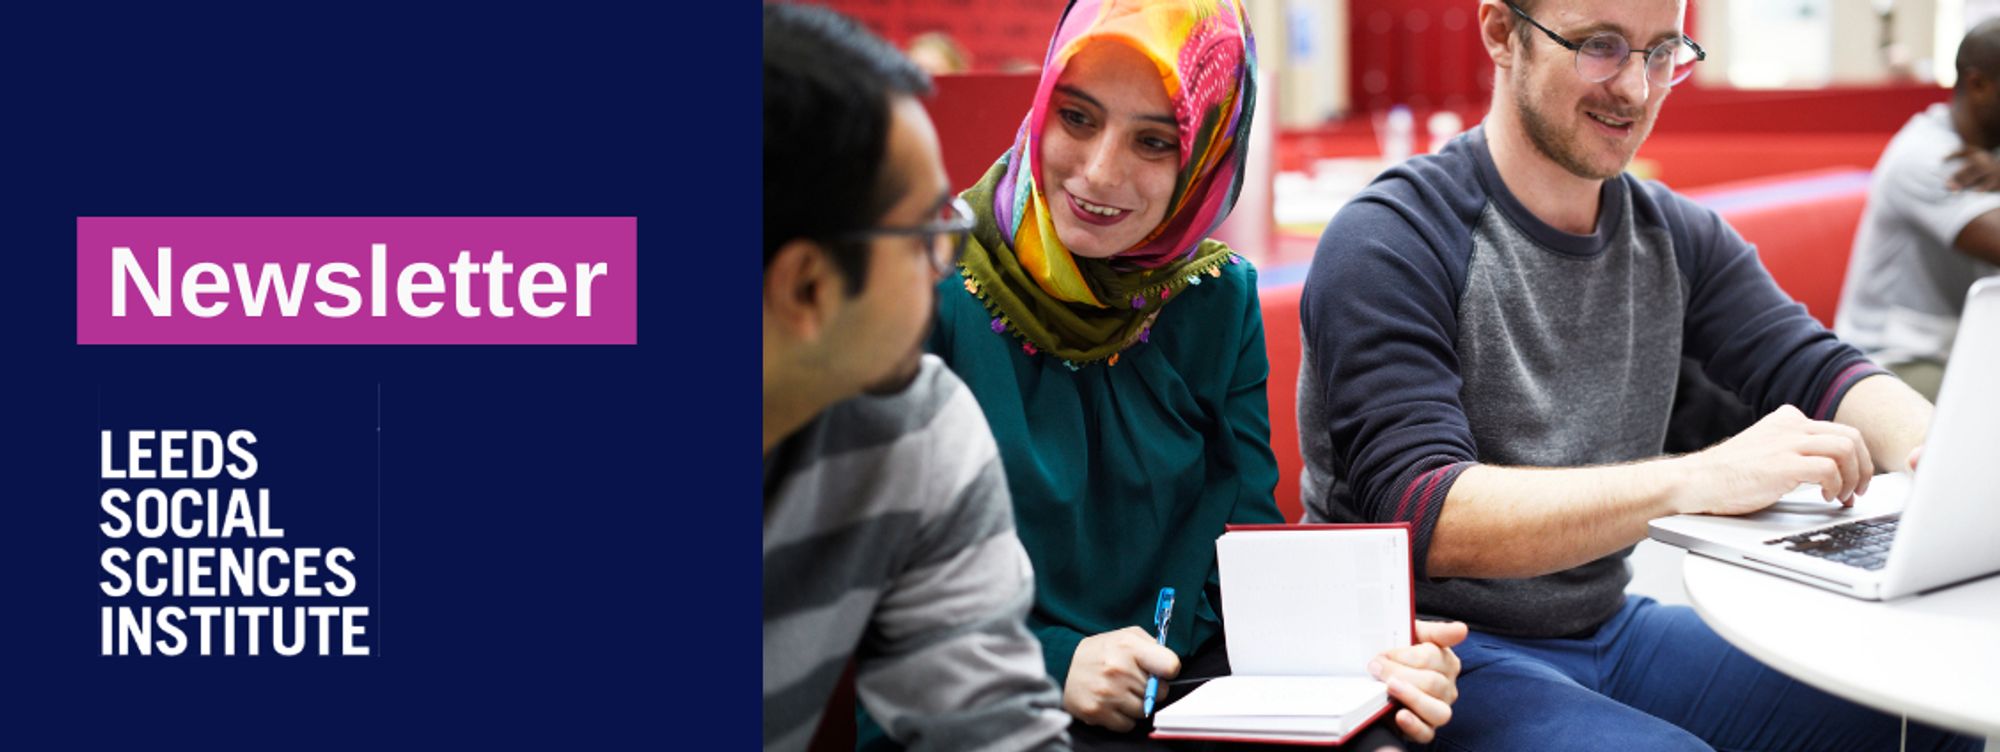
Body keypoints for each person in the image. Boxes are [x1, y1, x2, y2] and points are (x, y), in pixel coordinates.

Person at [1300, 1, 1978, 749]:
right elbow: (1423, 511)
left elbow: (1821, 368)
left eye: (1662, 53)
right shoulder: (1390, 237)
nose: (1635, 87)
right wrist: (1697, 479)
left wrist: (1948, 465)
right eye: (1600, 46)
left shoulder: (1675, 235)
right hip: (1429, 651)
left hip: (1606, 627)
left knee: (1919, 715)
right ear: (1500, 32)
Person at [872, 1, 1467, 750]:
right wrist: (1054, 661)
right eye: (1077, 118)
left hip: (1181, 697)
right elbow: (873, 584)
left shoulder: (1214, 300)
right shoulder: (924, 286)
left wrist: (1367, 646)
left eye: (1155, 141)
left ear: (1207, 156)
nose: (1098, 172)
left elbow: (1246, 546)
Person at [762, 5, 1070, 751]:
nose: (947, 264)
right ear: (808, 288)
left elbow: (993, 733)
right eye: (929, 234)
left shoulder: (916, 428)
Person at [1836, 20, 2000, 401]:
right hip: (1894, 361)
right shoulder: (1930, 157)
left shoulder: (1990, 152)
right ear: (1979, 85)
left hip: (1962, 348)